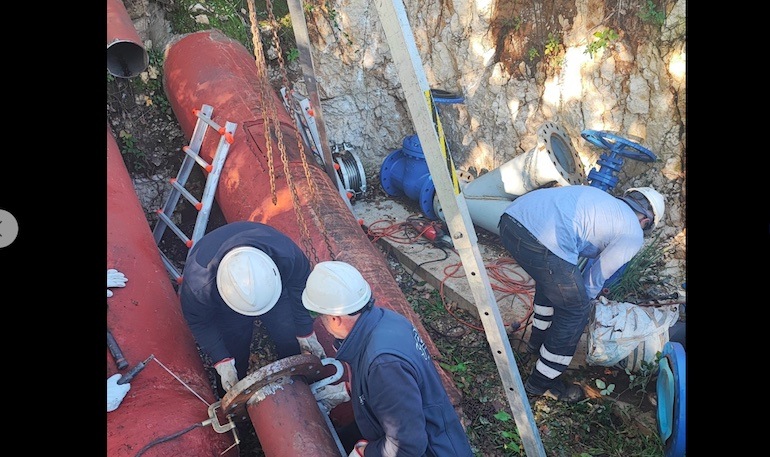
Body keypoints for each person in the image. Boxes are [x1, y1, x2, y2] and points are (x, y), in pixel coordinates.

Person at [498, 185, 665, 402]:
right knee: (575, 312)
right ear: (646, 221)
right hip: (543, 241)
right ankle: (540, 384)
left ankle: (536, 343)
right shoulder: (633, 232)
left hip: (510, 221)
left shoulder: (603, 200)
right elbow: (596, 277)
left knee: (550, 280)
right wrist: (579, 304)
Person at [302, 260, 474, 457]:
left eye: (320, 316)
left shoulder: (383, 364)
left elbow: (408, 446)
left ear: (335, 318)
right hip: (437, 433)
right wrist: (353, 388)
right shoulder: (388, 320)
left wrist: (366, 453)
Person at [178, 221, 333, 398]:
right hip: (229, 303)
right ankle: (229, 394)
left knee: (287, 332)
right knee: (234, 345)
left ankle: (296, 380)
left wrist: (305, 331)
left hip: (271, 291)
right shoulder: (198, 288)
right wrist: (221, 359)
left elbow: (300, 288)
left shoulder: (287, 255)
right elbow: (200, 322)